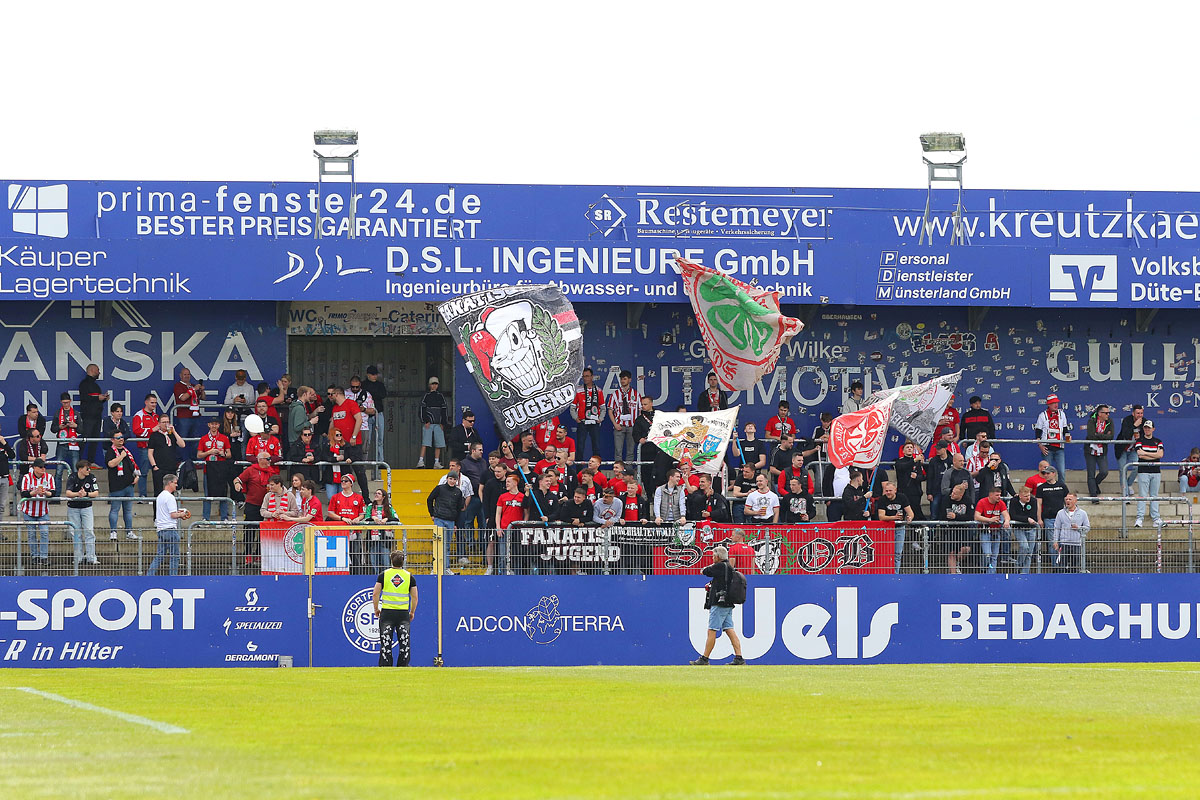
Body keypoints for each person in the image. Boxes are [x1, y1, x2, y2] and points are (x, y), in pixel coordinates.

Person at [689, 546, 745, 666]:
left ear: (718, 556)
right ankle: (739, 657)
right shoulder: (729, 567)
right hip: (728, 603)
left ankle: (704, 658)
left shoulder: (720, 566)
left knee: (712, 630)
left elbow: (705, 571)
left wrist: (707, 568)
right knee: (729, 629)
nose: (712, 558)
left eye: (713, 556)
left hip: (719, 603)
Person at [373, 550, 417, 667]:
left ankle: (385, 665)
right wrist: (412, 612)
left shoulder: (383, 575)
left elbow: (375, 594)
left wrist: (376, 609)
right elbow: (415, 597)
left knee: (386, 641)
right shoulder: (409, 577)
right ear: (403, 561)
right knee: (404, 642)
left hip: (387, 613)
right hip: (403, 613)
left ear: (391, 560)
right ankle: (403, 665)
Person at [233, 451, 275, 569]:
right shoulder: (251, 470)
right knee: (249, 532)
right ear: (260, 459)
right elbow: (237, 479)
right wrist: (237, 484)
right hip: (252, 505)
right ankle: (248, 555)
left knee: (264, 532)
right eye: (268, 459)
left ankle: (259, 555)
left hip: (267, 506)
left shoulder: (272, 472)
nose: (270, 461)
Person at [148, 473, 189, 577]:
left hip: (161, 529)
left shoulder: (160, 496)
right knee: (175, 557)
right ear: (170, 483)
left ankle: (149, 576)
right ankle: (173, 578)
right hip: (170, 530)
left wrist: (177, 513)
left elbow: (167, 512)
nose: (176, 485)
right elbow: (173, 515)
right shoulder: (170, 497)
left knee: (160, 556)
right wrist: (182, 514)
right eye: (175, 483)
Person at [19, 458, 54, 568]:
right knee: (31, 534)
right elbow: (23, 493)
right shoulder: (26, 477)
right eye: (41, 467)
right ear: (34, 468)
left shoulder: (49, 477)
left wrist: (46, 493)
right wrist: (33, 493)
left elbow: (53, 492)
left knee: (44, 533)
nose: (43, 469)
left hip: (43, 511)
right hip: (29, 511)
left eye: (44, 467)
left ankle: (44, 557)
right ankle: (34, 556)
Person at [198, 417, 235, 522]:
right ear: (208, 425)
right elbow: (199, 455)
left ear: (219, 425)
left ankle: (224, 518)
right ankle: (205, 518)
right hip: (208, 469)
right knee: (207, 494)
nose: (214, 426)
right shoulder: (204, 438)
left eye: (216, 424)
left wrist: (223, 453)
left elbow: (229, 454)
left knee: (223, 493)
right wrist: (209, 452)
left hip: (221, 468)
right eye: (212, 424)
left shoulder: (224, 438)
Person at [104, 432, 139, 541]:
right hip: (117, 486)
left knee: (128, 511)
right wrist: (121, 456)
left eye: (122, 437)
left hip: (129, 485)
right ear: (112, 440)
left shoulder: (127, 451)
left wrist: (137, 476)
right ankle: (113, 532)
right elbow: (111, 464)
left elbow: (133, 465)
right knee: (115, 509)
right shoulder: (110, 451)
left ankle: (129, 531)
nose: (121, 439)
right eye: (118, 437)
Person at [64, 460, 100, 567]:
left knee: (89, 531)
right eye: (87, 468)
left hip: (87, 507)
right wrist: (78, 494)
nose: (89, 470)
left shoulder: (92, 477)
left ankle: (91, 557)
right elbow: (68, 493)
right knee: (76, 533)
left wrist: (86, 494)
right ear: (80, 469)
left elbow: (96, 493)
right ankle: (78, 558)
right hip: (73, 508)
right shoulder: (72, 477)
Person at [427, 472, 464, 575]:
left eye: (454, 479)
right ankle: (435, 568)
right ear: (447, 479)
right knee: (437, 544)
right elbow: (429, 499)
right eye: (450, 478)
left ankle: (446, 568)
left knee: (447, 545)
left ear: (457, 481)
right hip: (439, 519)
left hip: (451, 521)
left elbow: (459, 508)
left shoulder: (458, 492)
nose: (452, 481)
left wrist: (456, 523)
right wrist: (432, 514)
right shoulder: (439, 488)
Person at [492, 473, 526, 575]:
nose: (506, 484)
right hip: (504, 529)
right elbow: (498, 513)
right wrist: (498, 527)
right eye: (506, 482)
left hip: (517, 530)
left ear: (515, 483)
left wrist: (524, 525)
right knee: (503, 554)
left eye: (508, 482)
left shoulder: (522, 497)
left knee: (517, 554)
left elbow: (526, 513)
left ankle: (517, 573)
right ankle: (502, 573)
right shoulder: (502, 497)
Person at [877, 481, 914, 574]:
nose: (888, 492)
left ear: (895, 490)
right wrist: (894, 518)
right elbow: (881, 517)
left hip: (899, 528)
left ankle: (895, 573)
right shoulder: (882, 499)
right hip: (887, 529)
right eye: (886, 491)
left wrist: (909, 518)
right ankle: (885, 572)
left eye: (890, 490)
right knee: (885, 553)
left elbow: (910, 512)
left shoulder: (902, 497)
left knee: (897, 553)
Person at [1133, 419, 1164, 529]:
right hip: (1143, 471)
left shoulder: (1158, 441)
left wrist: (1146, 453)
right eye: (1145, 427)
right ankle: (1139, 518)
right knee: (1142, 495)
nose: (1147, 429)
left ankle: (1156, 518)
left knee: (1154, 495)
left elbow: (1160, 455)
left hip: (1156, 472)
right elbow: (1140, 455)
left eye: (1149, 428)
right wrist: (1154, 455)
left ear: (1153, 429)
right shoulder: (1139, 441)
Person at [1034, 394, 1072, 481]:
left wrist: (1068, 436)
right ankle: (1046, 488)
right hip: (1047, 448)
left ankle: (1061, 488)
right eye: (1053, 403)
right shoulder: (1042, 415)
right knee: (1046, 472)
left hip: (1059, 447)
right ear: (1048, 404)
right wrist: (1040, 446)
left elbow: (1065, 429)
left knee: (1062, 471)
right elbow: (1038, 432)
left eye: (1056, 403)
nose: (1056, 405)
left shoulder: (1062, 414)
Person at [974, 486, 1011, 574]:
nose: (999, 497)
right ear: (991, 495)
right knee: (987, 553)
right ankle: (983, 569)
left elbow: (1006, 514)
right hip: (985, 531)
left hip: (996, 531)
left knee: (994, 555)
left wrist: (1007, 521)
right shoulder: (982, 502)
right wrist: (990, 520)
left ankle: (991, 573)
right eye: (997, 495)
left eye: (1000, 495)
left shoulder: (1001, 503)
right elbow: (976, 516)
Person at [1034, 467, 1069, 561]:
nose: (1045, 475)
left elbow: (1068, 502)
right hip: (1049, 518)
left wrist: (1069, 516)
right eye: (1044, 473)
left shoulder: (1062, 486)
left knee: (1064, 541)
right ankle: (1055, 564)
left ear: (1054, 473)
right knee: (1052, 542)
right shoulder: (1041, 488)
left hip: (1062, 518)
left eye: (1048, 473)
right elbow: (1039, 504)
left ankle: (1062, 563)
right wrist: (1039, 518)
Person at [78, 363, 109, 467]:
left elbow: (96, 400)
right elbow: (84, 398)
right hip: (88, 416)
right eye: (97, 370)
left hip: (97, 416)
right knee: (84, 438)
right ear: (92, 370)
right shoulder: (84, 384)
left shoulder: (96, 385)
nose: (99, 372)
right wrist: (97, 398)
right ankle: (78, 461)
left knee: (95, 440)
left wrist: (103, 399)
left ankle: (91, 462)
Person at [172, 367, 206, 461]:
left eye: (188, 374)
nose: (187, 376)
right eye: (185, 374)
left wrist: (202, 390)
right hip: (183, 417)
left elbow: (203, 398)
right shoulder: (178, 386)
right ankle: (178, 461)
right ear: (180, 375)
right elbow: (183, 398)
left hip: (195, 417)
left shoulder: (193, 385)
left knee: (195, 440)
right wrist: (193, 389)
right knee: (181, 439)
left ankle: (194, 461)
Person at [940, 481, 973, 574]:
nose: (952, 494)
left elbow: (970, 516)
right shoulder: (946, 499)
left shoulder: (968, 500)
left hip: (963, 529)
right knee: (951, 552)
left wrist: (956, 516)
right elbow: (942, 514)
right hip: (950, 529)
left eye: (955, 493)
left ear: (961, 495)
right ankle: (953, 574)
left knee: (966, 549)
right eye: (952, 492)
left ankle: (957, 562)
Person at [572, 367, 605, 460]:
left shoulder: (598, 390)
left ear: (592, 377)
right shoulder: (578, 390)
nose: (585, 378)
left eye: (587, 376)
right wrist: (576, 419)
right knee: (580, 447)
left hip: (594, 422)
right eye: (583, 376)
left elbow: (603, 407)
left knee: (596, 447)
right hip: (582, 422)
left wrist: (600, 419)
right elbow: (572, 407)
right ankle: (579, 469)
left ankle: (596, 467)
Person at [147, 415, 185, 496]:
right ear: (159, 423)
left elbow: (182, 445)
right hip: (159, 468)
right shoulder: (154, 435)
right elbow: (150, 452)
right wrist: (154, 466)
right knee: (158, 492)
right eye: (164, 422)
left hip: (171, 468)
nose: (166, 424)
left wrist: (174, 432)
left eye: (167, 422)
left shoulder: (172, 434)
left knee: (171, 491)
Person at [607, 369, 639, 463]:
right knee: (618, 451)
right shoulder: (615, 394)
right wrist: (615, 424)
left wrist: (637, 425)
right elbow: (610, 411)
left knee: (630, 451)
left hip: (632, 426)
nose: (622, 381)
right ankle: (619, 470)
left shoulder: (636, 394)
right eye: (621, 379)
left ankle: (628, 470)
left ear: (630, 380)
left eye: (624, 379)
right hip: (619, 425)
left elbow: (640, 410)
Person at [1053, 493, 1089, 573]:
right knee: (1062, 567)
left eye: (1070, 499)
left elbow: (1087, 527)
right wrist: (1055, 541)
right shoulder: (1060, 513)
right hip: (1064, 543)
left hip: (1077, 544)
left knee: (1075, 567)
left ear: (1075, 501)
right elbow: (1057, 528)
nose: (1067, 501)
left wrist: (1078, 528)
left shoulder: (1083, 513)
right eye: (1066, 499)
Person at [130, 394, 159, 496]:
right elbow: (136, 431)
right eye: (152, 402)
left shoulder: (156, 416)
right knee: (143, 472)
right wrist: (152, 430)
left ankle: (158, 495)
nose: (154, 405)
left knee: (158, 471)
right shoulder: (139, 415)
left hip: (157, 448)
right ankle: (142, 496)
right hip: (144, 448)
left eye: (155, 403)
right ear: (146, 402)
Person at [1085, 404, 1114, 501]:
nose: (1108, 415)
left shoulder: (1109, 421)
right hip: (1090, 450)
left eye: (1109, 413)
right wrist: (1104, 435)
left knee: (1104, 471)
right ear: (1100, 413)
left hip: (1102, 450)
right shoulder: (1092, 421)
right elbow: (1091, 436)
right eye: (1106, 413)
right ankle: (1093, 496)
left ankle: (1095, 484)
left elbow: (1111, 436)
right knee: (1091, 473)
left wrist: (1097, 435)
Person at [417, 376, 447, 468]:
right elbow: (422, 409)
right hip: (428, 424)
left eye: (436, 384)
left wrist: (443, 422)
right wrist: (425, 421)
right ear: (429, 385)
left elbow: (444, 410)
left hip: (438, 424)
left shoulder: (440, 396)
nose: (434, 386)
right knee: (425, 443)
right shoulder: (426, 396)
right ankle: (420, 461)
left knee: (439, 444)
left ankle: (436, 462)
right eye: (432, 384)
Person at [50, 391, 80, 481]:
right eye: (64, 403)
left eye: (67, 402)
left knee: (75, 470)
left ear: (70, 401)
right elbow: (53, 429)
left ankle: (76, 489)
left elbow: (82, 430)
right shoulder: (58, 413)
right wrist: (59, 427)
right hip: (62, 444)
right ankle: (57, 490)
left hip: (73, 443)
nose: (66, 404)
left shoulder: (76, 413)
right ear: (61, 402)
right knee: (59, 470)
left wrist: (75, 426)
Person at [1115, 404, 1145, 497]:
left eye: (1141, 413)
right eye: (1137, 413)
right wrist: (1134, 426)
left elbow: (1146, 436)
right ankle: (1125, 494)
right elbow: (1125, 434)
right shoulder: (1127, 420)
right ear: (1133, 413)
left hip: (1133, 449)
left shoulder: (1145, 422)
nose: (1139, 415)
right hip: (1122, 449)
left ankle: (1128, 484)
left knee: (1137, 466)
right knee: (1122, 470)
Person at [1008, 485, 1038, 574]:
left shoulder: (1033, 501)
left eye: (1029, 495)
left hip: (1031, 529)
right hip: (1019, 528)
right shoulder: (1014, 501)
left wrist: (1024, 518)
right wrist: (1027, 519)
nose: (1028, 498)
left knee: (1029, 553)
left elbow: (1033, 516)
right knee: (1024, 546)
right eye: (1025, 496)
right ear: (1020, 496)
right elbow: (1013, 515)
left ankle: (1025, 573)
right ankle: (1018, 566)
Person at [363, 364, 389, 467]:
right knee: (367, 440)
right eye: (373, 374)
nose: (375, 376)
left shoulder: (380, 385)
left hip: (378, 413)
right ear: (368, 375)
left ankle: (380, 461)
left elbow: (383, 395)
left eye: (376, 374)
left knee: (380, 439)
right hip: (367, 415)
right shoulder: (363, 385)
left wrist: (371, 394)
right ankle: (364, 462)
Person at [895, 441, 926, 520]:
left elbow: (923, 477)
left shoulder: (917, 462)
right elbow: (903, 467)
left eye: (911, 447)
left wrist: (916, 477)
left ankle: (916, 527)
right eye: (907, 447)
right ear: (903, 451)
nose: (909, 449)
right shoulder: (899, 461)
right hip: (903, 491)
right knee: (901, 513)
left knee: (916, 513)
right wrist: (914, 460)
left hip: (915, 492)